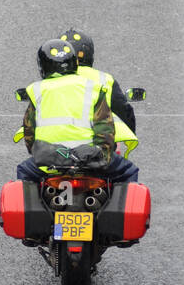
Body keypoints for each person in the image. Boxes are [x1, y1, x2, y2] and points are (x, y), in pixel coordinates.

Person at [16, 39, 139, 184]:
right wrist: (103, 155)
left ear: (42, 66)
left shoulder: (36, 90)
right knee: (129, 170)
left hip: (50, 159)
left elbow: (29, 132)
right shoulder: (92, 87)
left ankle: (38, 203)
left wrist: (38, 153)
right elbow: (105, 128)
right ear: (75, 63)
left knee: (24, 170)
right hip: (89, 159)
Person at [57, 27, 136, 133]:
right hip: (95, 145)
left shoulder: (47, 83)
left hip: (53, 145)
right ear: (89, 53)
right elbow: (124, 112)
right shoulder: (105, 80)